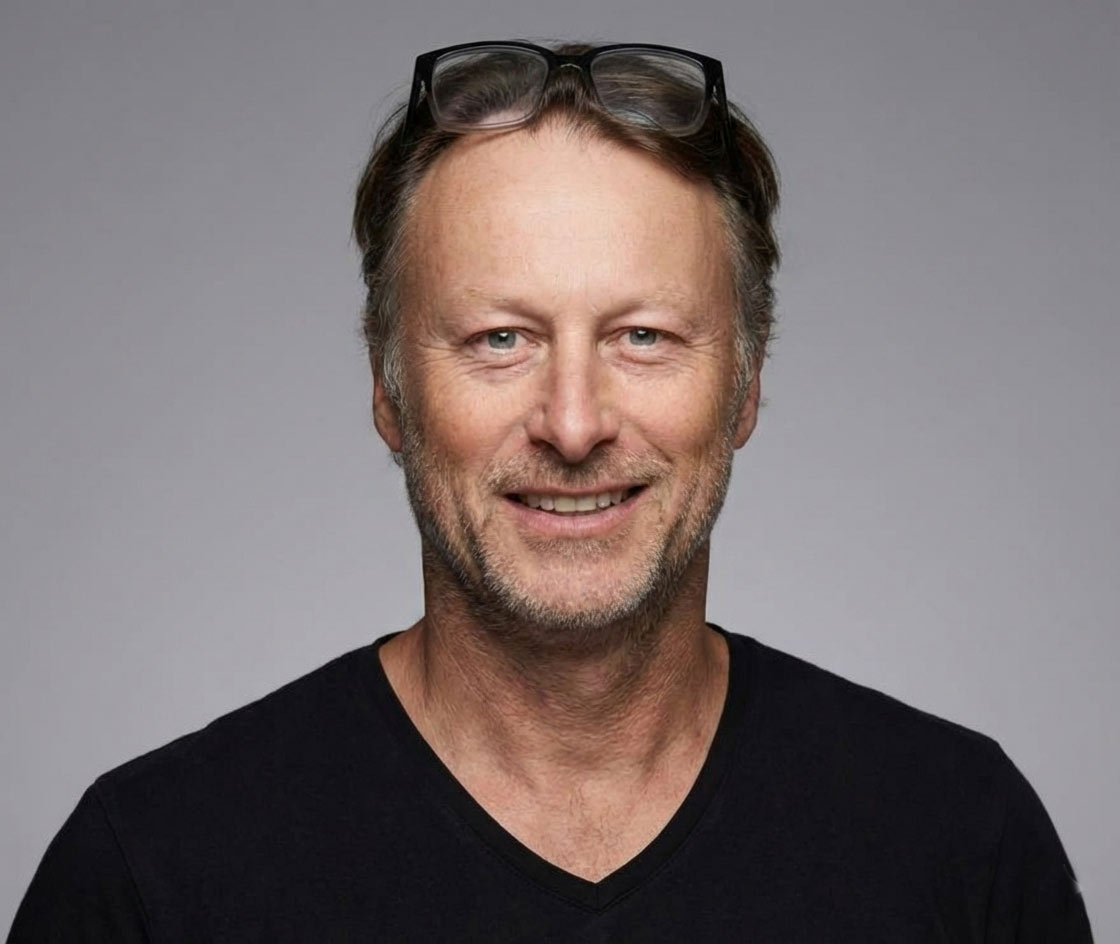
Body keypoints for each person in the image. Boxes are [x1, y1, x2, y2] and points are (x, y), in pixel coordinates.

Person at [8, 39, 1093, 943]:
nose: (573, 422)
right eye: (498, 338)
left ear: (746, 387)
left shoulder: (958, 842)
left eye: (643, 336)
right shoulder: (151, 875)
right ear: (390, 392)